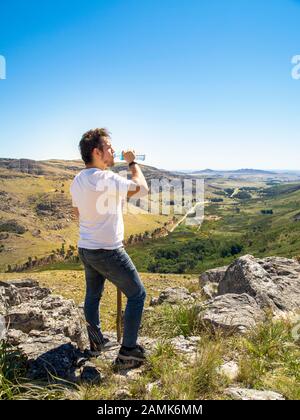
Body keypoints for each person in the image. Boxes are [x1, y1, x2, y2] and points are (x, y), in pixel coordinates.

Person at [70, 128, 149, 364]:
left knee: (93, 296)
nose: (113, 151)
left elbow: (77, 212)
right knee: (137, 294)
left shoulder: (78, 180)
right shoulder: (107, 178)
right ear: (97, 151)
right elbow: (142, 188)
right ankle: (128, 351)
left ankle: (96, 344)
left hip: (86, 248)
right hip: (109, 250)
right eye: (109, 147)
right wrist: (132, 161)